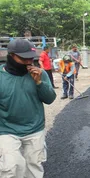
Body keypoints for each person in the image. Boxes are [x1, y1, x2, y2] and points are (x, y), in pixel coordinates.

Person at [0, 38, 56, 178]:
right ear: (11, 56)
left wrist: (39, 83)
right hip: (7, 130)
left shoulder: (39, 74)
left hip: (34, 129)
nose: (29, 62)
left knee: (33, 167)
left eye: (31, 58)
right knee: (11, 168)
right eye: (24, 59)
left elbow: (50, 99)